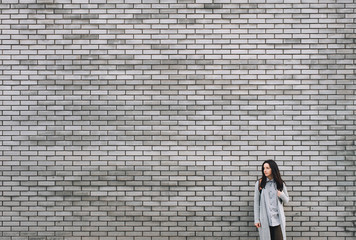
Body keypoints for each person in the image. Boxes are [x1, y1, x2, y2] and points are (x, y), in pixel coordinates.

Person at [254, 160, 289, 240]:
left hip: (277, 220)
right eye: (264, 168)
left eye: (267, 168)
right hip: (265, 220)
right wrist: (257, 219)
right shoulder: (260, 183)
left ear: (273, 169)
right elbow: (256, 202)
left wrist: (281, 195)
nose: (265, 170)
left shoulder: (280, 183)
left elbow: (286, 200)